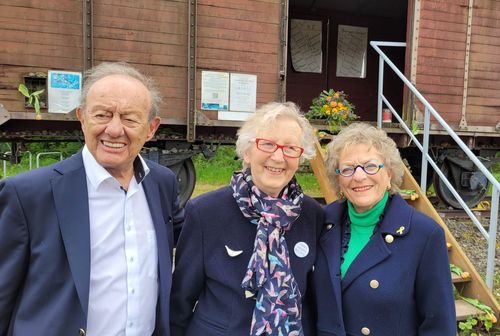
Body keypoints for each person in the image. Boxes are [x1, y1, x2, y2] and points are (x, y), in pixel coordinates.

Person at [0, 62, 184, 336]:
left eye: (130, 118)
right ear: (82, 118)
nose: (114, 129)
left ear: (151, 128)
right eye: (102, 115)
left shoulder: (162, 183)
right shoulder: (27, 195)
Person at [170, 102, 326, 336]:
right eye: (267, 144)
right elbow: (181, 299)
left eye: (290, 148)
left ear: (300, 157)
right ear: (247, 151)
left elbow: (312, 298)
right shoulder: (205, 212)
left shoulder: (312, 214)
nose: (278, 156)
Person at [313, 122, 456, 335]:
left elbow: (439, 326)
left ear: (388, 173)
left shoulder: (424, 234)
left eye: (370, 166)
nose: (359, 176)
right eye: (348, 169)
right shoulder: (322, 222)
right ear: (338, 179)